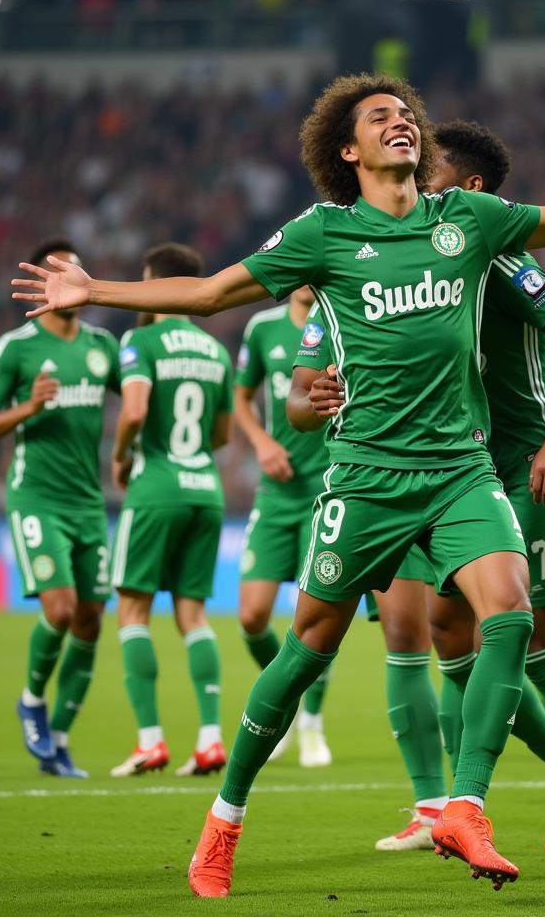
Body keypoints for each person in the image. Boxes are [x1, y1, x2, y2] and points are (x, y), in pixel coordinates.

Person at [11, 73, 545, 894]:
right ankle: (223, 822)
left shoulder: (465, 220)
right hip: (364, 478)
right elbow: (212, 292)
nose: (401, 125)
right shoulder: (324, 234)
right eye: (381, 118)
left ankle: (465, 805)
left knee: (506, 614)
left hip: (461, 469)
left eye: (408, 117)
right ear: (348, 149)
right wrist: (96, 289)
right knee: (304, 652)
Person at [289, 120, 545, 862]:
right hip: (451, 468)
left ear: (467, 190)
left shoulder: (494, 256)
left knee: (530, 639)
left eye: (430, 175)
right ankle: (456, 802)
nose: (414, 189)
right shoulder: (399, 257)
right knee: (448, 633)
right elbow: (305, 385)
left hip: (530, 464)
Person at [0, 239, 120, 778]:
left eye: (78, 270)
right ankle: (32, 698)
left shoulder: (103, 346)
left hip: (87, 502)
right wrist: (28, 407)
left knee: (89, 620)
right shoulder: (17, 347)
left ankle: (58, 740)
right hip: (36, 497)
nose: (73, 279)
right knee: (59, 610)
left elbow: (140, 397)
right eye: (62, 271)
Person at [107, 243, 235, 778]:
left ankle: (150, 741)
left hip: (155, 488)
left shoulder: (139, 341)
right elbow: (222, 435)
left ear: (156, 284)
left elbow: (134, 409)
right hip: (205, 490)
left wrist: (121, 458)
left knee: (134, 613)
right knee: (194, 617)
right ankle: (209, 738)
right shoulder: (216, 352)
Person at [233, 286, 333, 767]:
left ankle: (312, 723)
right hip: (275, 495)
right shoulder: (262, 329)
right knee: (252, 617)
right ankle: (289, 703)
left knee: (312, 620)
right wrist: (260, 444)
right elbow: (240, 396)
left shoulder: (340, 316)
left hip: (324, 489)